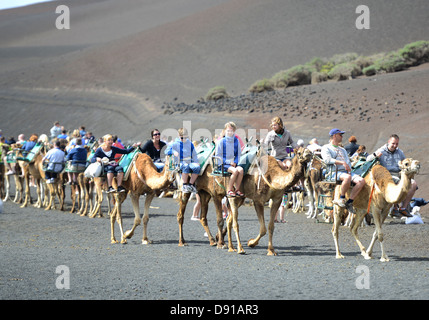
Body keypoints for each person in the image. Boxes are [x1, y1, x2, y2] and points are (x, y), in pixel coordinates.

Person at [367, 134, 417, 217]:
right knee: (397, 183)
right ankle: (394, 208)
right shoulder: (382, 151)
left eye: (397, 144)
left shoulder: (400, 152)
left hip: (399, 173)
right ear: (388, 142)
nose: (395, 146)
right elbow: (368, 159)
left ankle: (403, 208)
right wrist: (376, 155)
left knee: (413, 184)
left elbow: (404, 163)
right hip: (387, 175)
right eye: (393, 143)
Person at [321, 128, 365, 213]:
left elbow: (347, 161)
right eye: (340, 135)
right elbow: (327, 160)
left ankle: (349, 202)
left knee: (361, 181)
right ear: (334, 136)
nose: (342, 137)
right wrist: (342, 163)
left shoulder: (343, 149)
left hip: (345, 172)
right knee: (347, 177)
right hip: (333, 172)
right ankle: (341, 198)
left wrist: (348, 167)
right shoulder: (326, 148)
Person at [166, 128, 200, 193]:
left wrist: (196, 161)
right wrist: (173, 152)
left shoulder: (189, 143)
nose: (184, 139)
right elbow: (166, 151)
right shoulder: (175, 143)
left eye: (185, 137)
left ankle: (190, 185)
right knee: (185, 166)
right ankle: (184, 185)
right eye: (182, 138)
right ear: (179, 136)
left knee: (197, 167)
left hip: (189, 161)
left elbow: (194, 154)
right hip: (180, 162)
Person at [215, 122, 244, 197]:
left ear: (234, 131)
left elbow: (238, 154)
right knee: (235, 171)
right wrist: (229, 162)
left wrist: (235, 162)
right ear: (225, 131)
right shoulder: (221, 141)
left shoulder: (236, 141)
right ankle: (229, 190)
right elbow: (218, 155)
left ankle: (237, 190)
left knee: (241, 170)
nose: (229, 132)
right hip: (223, 163)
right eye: (228, 130)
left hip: (233, 163)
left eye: (231, 130)